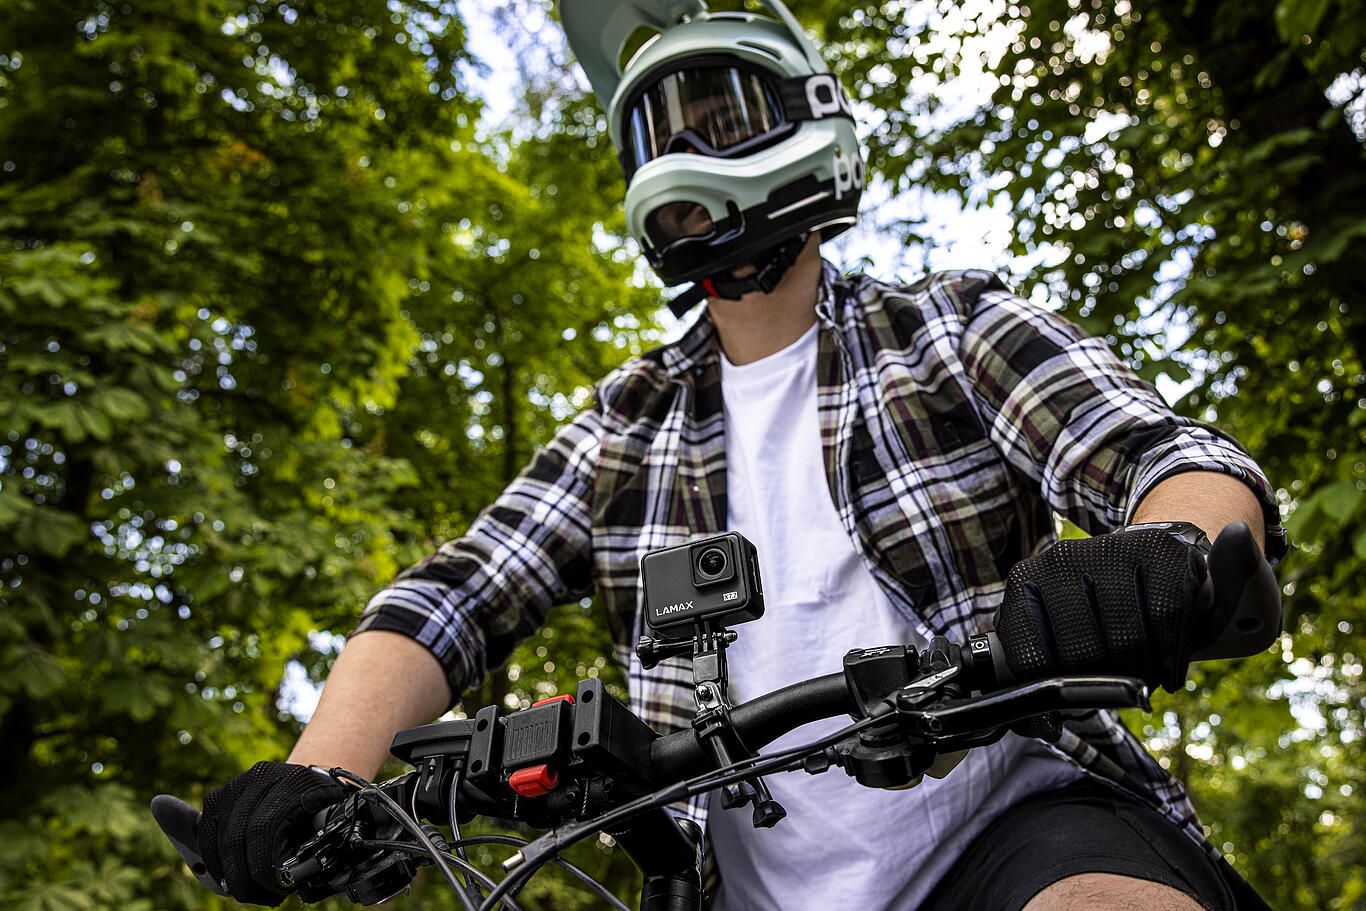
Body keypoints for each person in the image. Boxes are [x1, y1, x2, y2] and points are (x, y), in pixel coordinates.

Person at [194, 1, 1287, 908]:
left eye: (719, 119)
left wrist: (1162, 548)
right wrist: (317, 775)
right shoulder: (624, 422)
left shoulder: (945, 330)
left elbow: (1169, 460)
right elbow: (452, 595)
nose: (683, 153)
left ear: (810, 119)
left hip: (1020, 827)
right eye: (658, 134)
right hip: (726, 884)